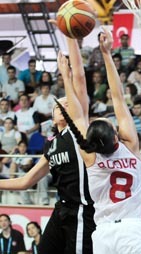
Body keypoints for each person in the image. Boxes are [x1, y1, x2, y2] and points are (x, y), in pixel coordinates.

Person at [57, 27, 141, 253]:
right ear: (116, 135)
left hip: (103, 235)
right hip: (134, 231)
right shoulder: (130, 145)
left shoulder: (90, 156)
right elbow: (118, 97)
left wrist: (66, 75)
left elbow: (77, 114)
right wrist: (106, 54)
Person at [0, 36, 95, 254]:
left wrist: (70, 41)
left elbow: (79, 80)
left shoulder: (77, 131)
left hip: (83, 211)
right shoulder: (51, 144)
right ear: (52, 116)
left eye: (68, 103)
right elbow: (26, 181)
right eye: (60, 103)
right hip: (61, 209)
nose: (65, 102)